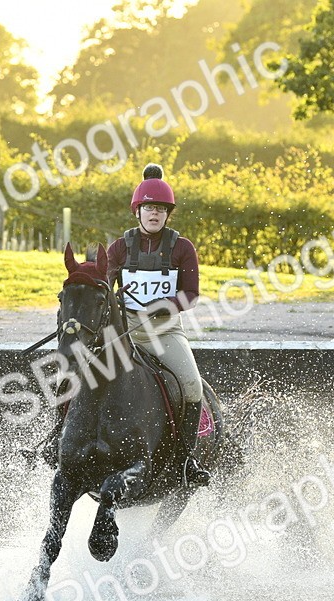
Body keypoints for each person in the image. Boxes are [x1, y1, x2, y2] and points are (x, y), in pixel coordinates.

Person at [105, 163, 211, 486]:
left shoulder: (182, 248)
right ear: (137, 211)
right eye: (149, 208)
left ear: (168, 214)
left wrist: (165, 305)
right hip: (126, 331)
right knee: (80, 372)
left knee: (191, 385)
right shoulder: (119, 248)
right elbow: (104, 290)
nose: (155, 214)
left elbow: (191, 295)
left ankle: (186, 460)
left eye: (161, 209)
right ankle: (58, 439)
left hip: (165, 331)